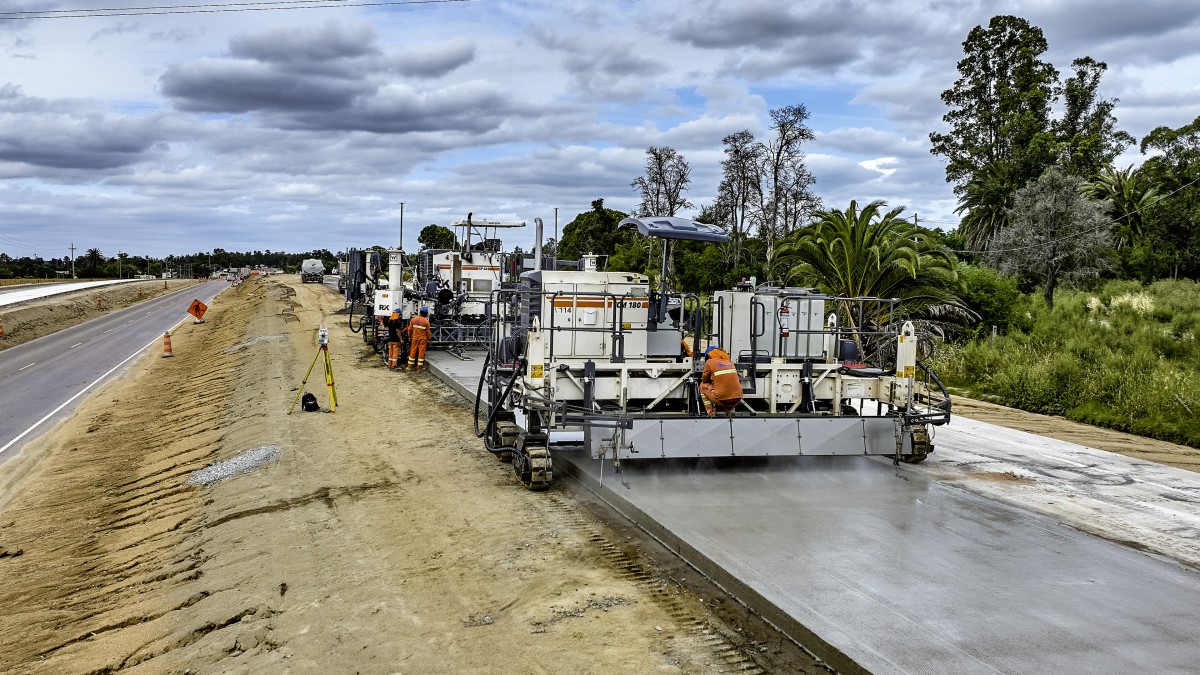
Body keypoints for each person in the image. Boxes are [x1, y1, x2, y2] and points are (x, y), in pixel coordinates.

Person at [699, 346, 742, 417]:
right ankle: (730, 410)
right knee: (728, 388)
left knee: (702, 386)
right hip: (737, 400)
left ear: (708, 355)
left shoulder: (709, 362)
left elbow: (705, 380)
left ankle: (711, 413)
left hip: (722, 401)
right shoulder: (730, 362)